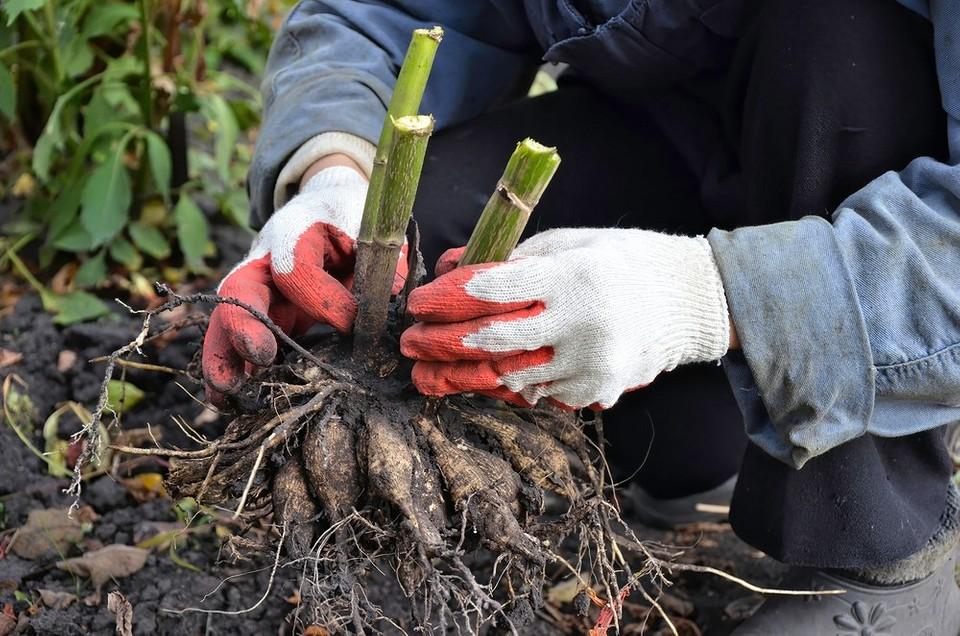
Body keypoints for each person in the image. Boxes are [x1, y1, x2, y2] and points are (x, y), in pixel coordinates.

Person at [200, 0, 960, 632]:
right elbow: (389, 12)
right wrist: (331, 172)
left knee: (834, 27)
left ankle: (878, 550)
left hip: (864, 160)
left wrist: (704, 298)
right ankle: (709, 435)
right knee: (417, 258)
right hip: (679, 143)